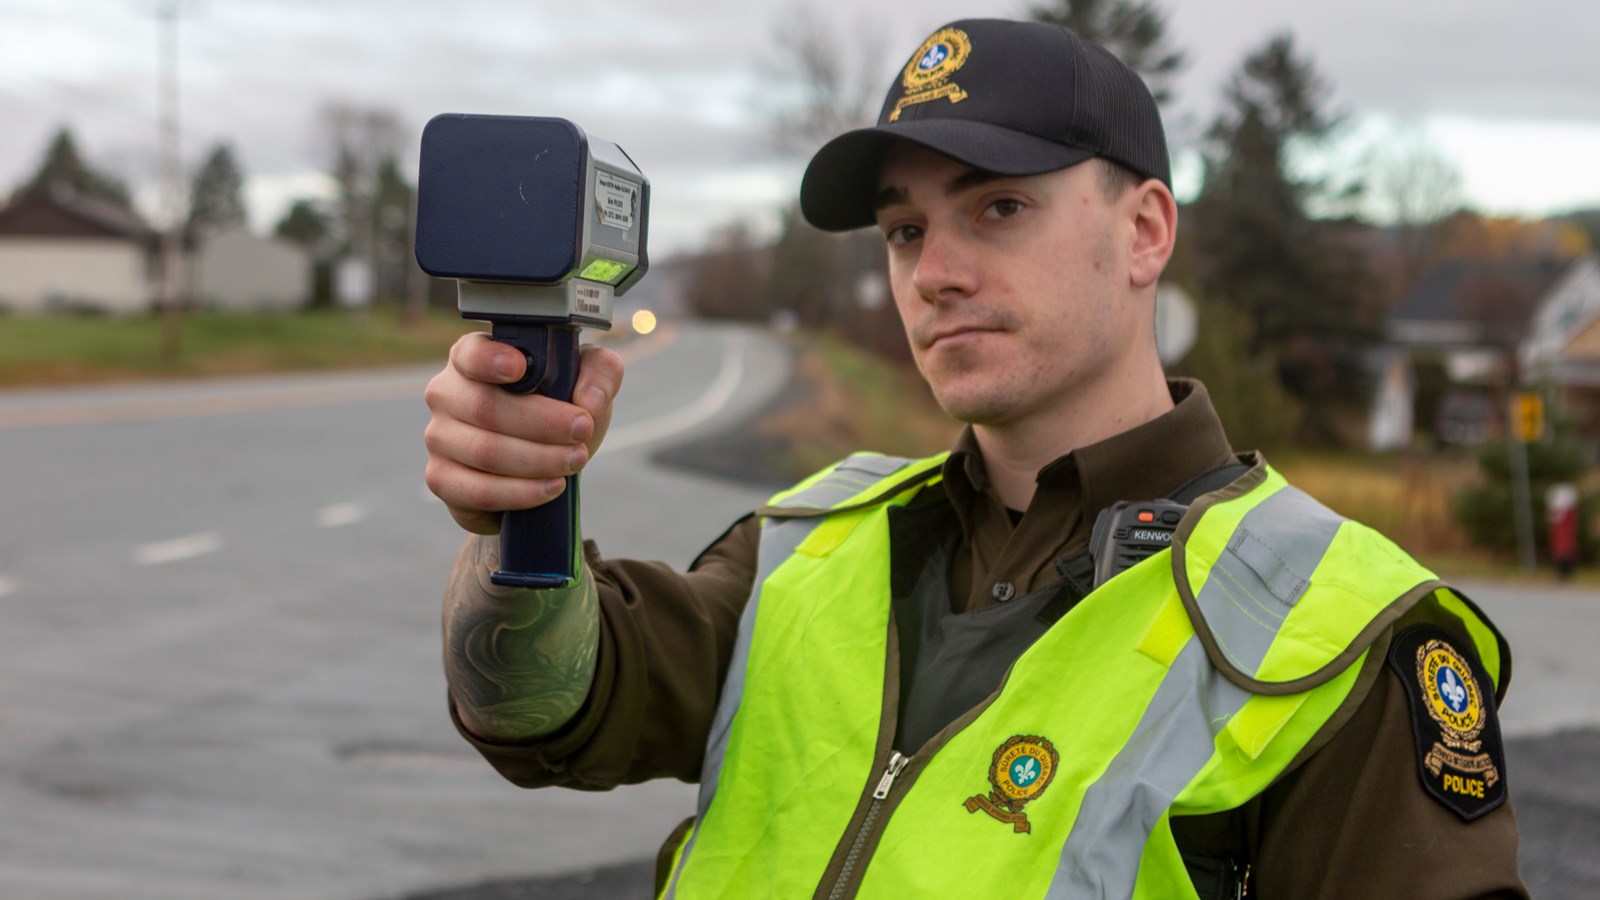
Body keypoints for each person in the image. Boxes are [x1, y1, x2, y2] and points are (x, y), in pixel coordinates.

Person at [422, 18, 1527, 899]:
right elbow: (540, 708)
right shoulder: (809, 545)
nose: (933, 273)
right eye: (905, 230)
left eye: (998, 208)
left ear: (1145, 232)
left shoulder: (1337, 632)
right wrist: (516, 511)